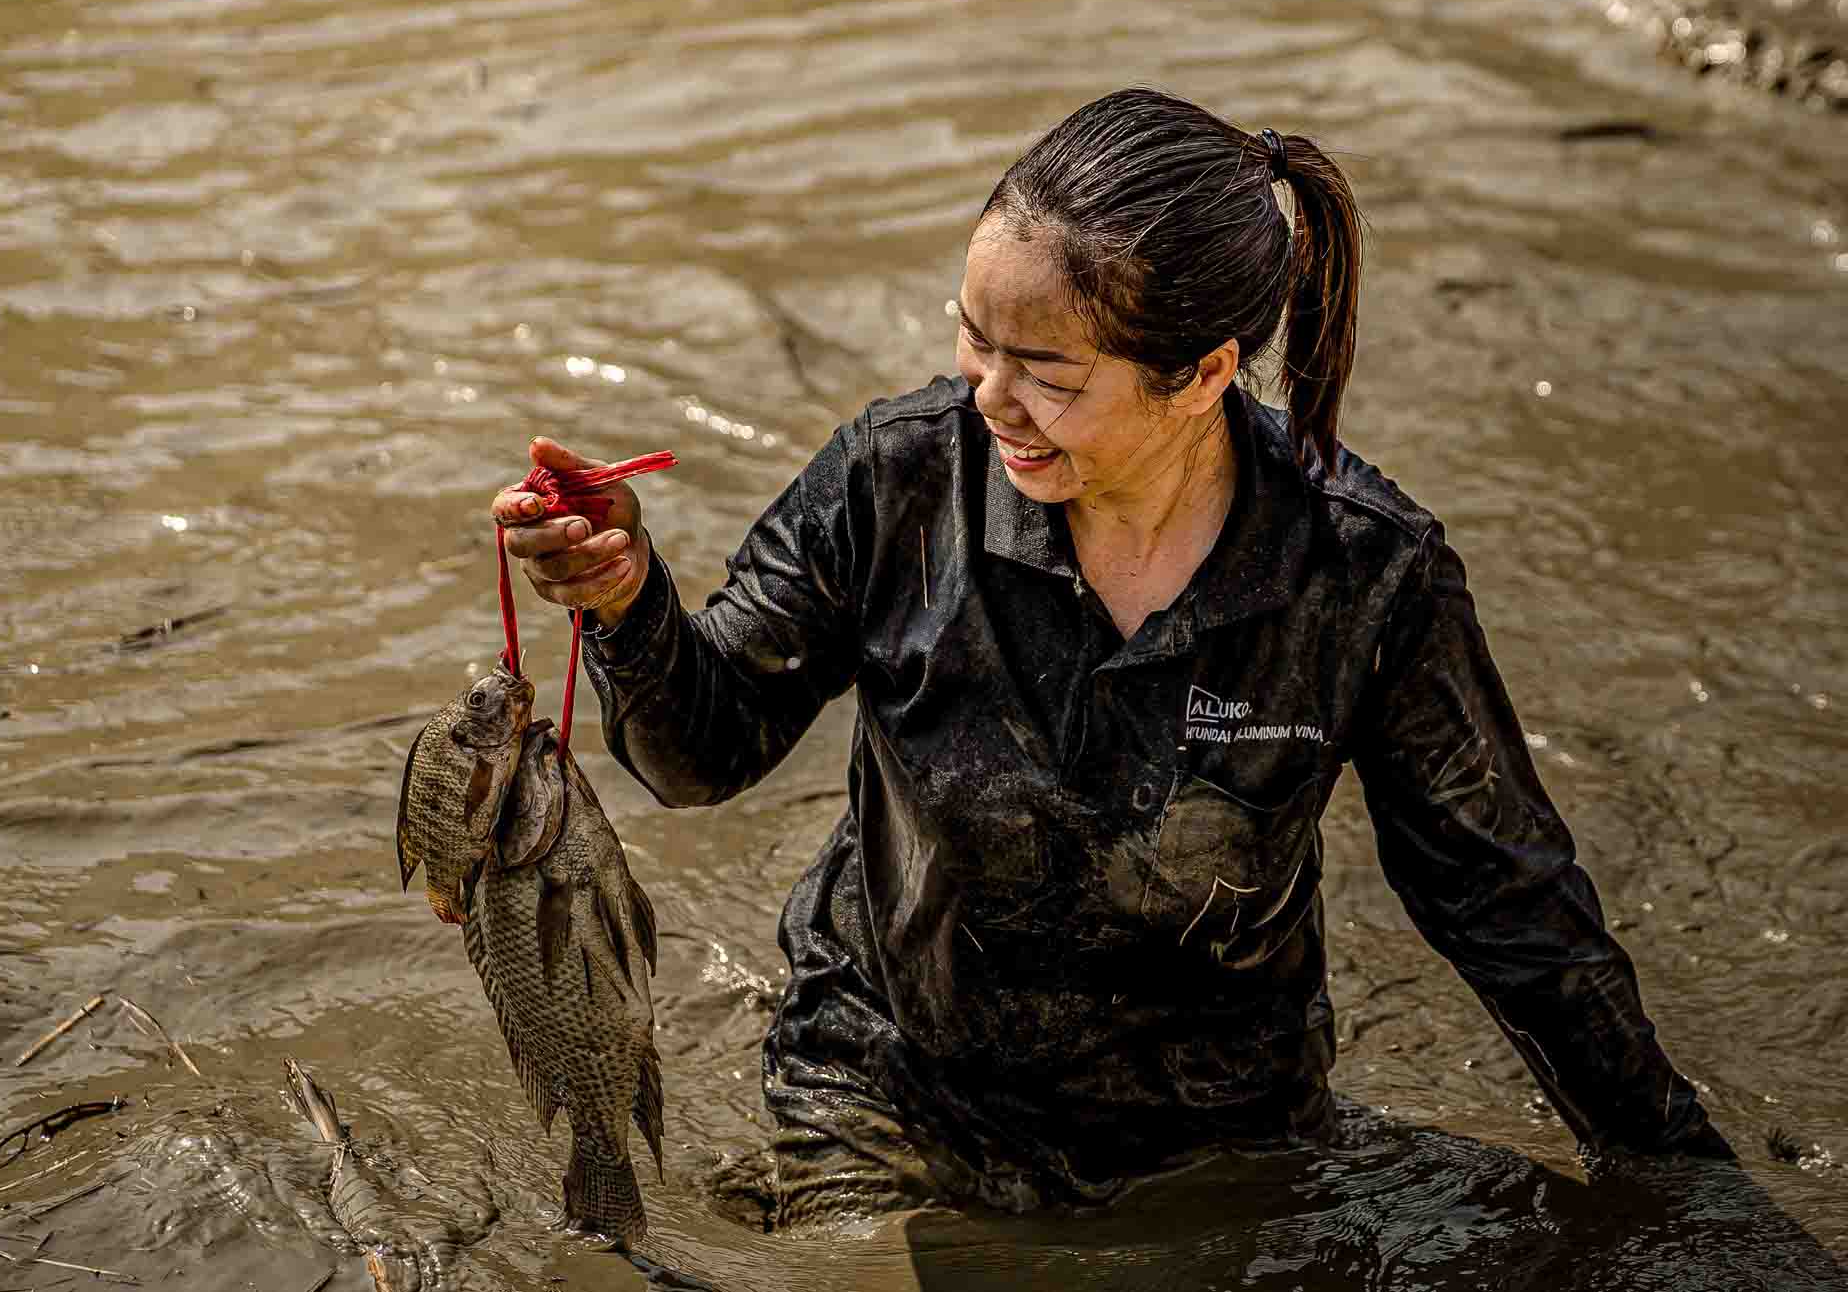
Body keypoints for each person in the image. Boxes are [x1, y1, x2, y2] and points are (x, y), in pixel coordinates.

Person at [490, 87, 1732, 1226]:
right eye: (972, 339)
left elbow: (1504, 905)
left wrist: (1688, 1190)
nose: (985, 397)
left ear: (1199, 375)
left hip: (1217, 1135)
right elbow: (699, 755)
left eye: (1043, 372)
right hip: (882, 1100)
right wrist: (629, 602)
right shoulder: (898, 481)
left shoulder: (1362, 574)